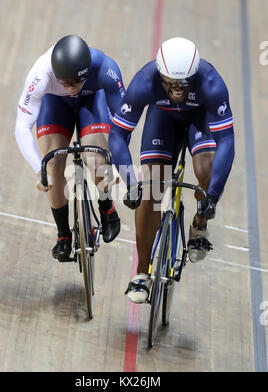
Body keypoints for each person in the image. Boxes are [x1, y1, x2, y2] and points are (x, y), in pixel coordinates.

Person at [109, 37, 235, 303]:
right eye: (170, 84)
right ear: (160, 75)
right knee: (151, 190)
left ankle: (199, 227)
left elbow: (227, 141)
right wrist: (130, 182)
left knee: (206, 170)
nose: (176, 90)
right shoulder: (145, 81)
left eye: (183, 84)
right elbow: (118, 135)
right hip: (163, 120)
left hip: (199, 120)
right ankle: (141, 273)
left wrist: (212, 195)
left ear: (195, 76)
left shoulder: (211, 83)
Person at [15, 35, 124, 262]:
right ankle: (63, 234)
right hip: (55, 104)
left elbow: (124, 122)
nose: (70, 88)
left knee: (96, 160)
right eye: (64, 82)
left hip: (91, 101)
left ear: (86, 73)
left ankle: (106, 207)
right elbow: (21, 126)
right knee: (52, 167)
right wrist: (39, 169)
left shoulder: (105, 69)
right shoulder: (40, 74)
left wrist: (115, 158)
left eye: (75, 82)